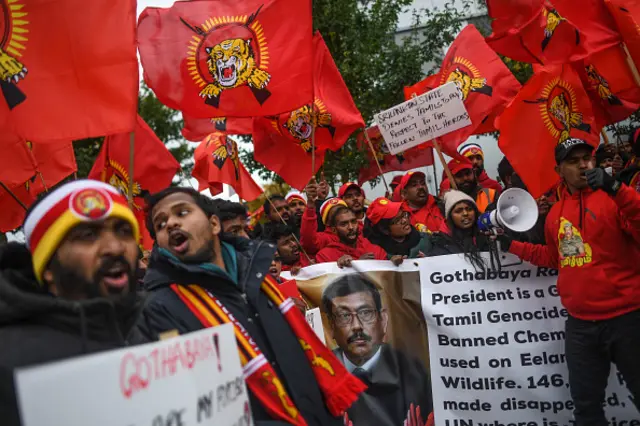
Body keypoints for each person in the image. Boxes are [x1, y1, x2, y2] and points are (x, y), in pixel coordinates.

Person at [136, 187, 363, 425]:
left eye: (182, 212)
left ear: (214, 224)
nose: (171, 223)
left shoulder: (255, 275)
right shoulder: (159, 309)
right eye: (160, 224)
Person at [497, 138, 640, 425]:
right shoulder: (555, 216)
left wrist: (616, 189)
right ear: (559, 170)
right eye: (573, 161)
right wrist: (511, 246)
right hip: (581, 326)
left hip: (628, 319)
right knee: (586, 408)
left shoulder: (615, 198)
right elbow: (554, 257)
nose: (583, 164)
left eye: (587, 158)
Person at [0, 180, 144, 426]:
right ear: (47, 268)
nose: (115, 248)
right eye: (87, 235)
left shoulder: (150, 324)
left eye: (123, 231)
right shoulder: (6, 361)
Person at [322, 274, 433, 426]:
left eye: (365, 313)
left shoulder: (414, 373)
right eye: (344, 315)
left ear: (383, 321)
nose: (356, 326)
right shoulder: (321, 374)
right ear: (332, 327)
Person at [424, 190, 492, 272]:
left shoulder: (488, 235)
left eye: (469, 209)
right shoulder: (440, 242)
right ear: (450, 217)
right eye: (458, 211)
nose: (465, 213)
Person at [315, 206, 387, 266]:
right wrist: (356, 265)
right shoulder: (325, 256)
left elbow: (385, 279)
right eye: (344, 224)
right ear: (334, 230)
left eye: (353, 222)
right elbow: (328, 282)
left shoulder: (375, 250)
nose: (351, 227)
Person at [363, 197, 429, 259]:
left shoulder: (424, 239)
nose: (404, 220)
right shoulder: (378, 255)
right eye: (397, 220)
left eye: (404, 215)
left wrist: (428, 259)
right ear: (384, 229)